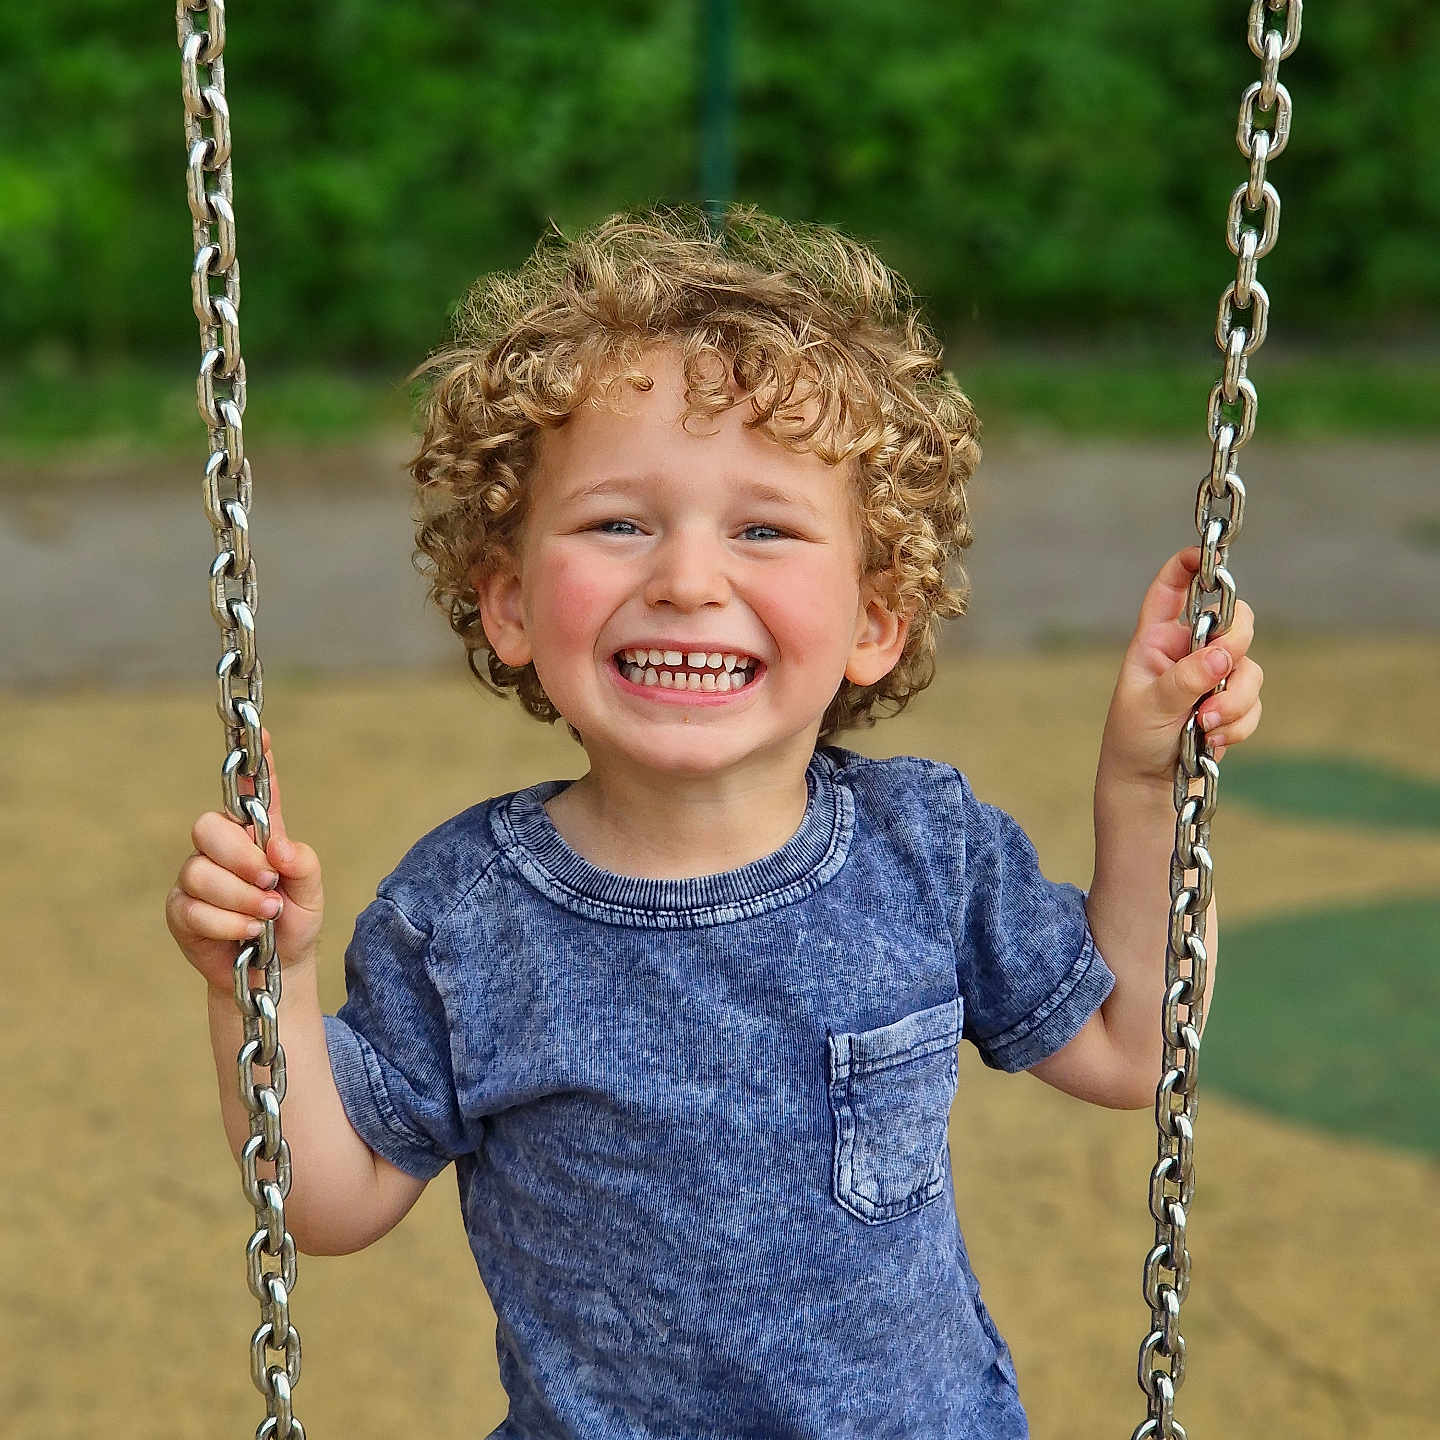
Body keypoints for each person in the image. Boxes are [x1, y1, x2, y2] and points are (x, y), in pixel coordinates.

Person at [166, 205, 1262, 1438]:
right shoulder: (465, 916)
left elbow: (1130, 1044)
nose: (688, 579)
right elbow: (333, 1197)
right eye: (619, 522)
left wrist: (1145, 782)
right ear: (513, 602)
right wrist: (258, 985)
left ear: (873, 621)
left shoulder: (922, 852)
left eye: (764, 529)